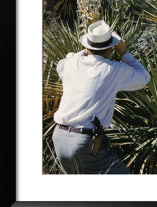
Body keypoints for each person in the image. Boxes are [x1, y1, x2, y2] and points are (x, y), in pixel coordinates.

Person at [52, 20, 150, 174]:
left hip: (59, 138)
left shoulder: (71, 63)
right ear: (111, 48)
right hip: (85, 143)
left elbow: (62, 64)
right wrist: (124, 52)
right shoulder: (113, 70)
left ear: (87, 46)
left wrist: (84, 52)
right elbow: (144, 77)